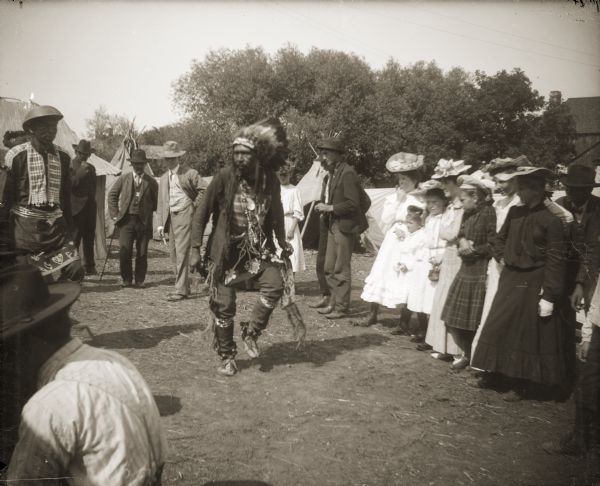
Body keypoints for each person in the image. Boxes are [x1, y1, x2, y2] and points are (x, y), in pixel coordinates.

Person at [2, 263, 166, 485]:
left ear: (26, 345)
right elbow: (159, 459)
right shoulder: (118, 364)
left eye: (8, 352)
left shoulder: (48, 406)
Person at [189, 118, 297, 376]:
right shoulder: (224, 177)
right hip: (225, 254)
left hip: (258, 249)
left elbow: (277, 211)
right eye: (235, 153)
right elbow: (201, 213)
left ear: (255, 155)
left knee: (275, 286)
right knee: (224, 307)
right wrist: (194, 248)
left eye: (244, 153)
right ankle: (227, 356)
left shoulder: (268, 179)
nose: (239, 157)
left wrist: (281, 240)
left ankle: (252, 331)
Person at [471, 167, 571, 400]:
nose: (519, 193)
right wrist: (502, 256)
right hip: (510, 276)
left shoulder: (552, 220)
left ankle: (521, 383)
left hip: (535, 279)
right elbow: (498, 238)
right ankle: (495, 373)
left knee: (525, 332)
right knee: (499, 323)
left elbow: (556, 260)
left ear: (536, 190)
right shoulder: (515, 212)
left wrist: (550, 294)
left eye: (523, 188)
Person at [3, 105, 83, 282]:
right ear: (32, 129)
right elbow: (5, 199)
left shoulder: (63, 156)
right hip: (25, 230)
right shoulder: (16, 156)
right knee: (35, 281)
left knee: (76, 270)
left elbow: (65, 198)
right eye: (44, 127)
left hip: (56, 228)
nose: (50, 132)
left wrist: (69, 228)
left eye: (53, 127)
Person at [358, 152, 425, 328]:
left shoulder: (421, 198)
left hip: (411, 239)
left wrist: (411, 231)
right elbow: (387, 219)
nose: (402, 182)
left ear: (415, 180)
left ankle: (403, 322)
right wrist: (398, 200)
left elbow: (422, 222)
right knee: (382, 272)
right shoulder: (394, 197)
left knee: (405, 276)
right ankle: (372, 314)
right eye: (401, 179)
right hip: (393, 238)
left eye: (406, 179)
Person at [441, 175, 496, 370]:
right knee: (453, 317)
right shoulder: (467, 213)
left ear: (476, 197)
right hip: (465, 267)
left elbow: (493, 244)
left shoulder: (489, 213)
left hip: (480, 269)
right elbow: (462, 233)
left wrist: (474, 249)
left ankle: (472, 355)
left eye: (464, 199)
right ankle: (465, 352)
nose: (461, 204)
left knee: (473, 318)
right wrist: (462, 241)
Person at [471, 157, 523, 358]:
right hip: (497, 261)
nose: (500, 186)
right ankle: (484, 358)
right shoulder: (499, 204)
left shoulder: (521, 203)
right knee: (491, 306)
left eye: (504, 181)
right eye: (498, 182)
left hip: (514, 262)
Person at [314, 138, 369, 320]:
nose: (323, 157)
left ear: (338, 155)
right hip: (332, 224)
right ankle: (333, 302)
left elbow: (353, 203)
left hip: (344, 226)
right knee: (329, 267)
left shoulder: (348, 174)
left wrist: (330, 208)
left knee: (341, 268)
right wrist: (326, 206)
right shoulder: (333, 174)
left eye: (327, 153)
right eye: (323, 153)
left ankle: (342, 307)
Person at [424, 159, 471, 360]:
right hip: (449, 254)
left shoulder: (463, 206)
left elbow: (451, 232)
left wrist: (449, 234)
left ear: (455, 182)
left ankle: (458, 350)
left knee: (453, 301)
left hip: (458, 256)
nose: (442, 187)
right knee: (442, 299)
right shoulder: (452, 206)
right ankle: (444, 346)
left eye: (445, 182)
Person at [156, 141, 207, 301]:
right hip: (171, 217)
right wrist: (159, 223)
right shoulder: (164, 178)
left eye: (173, 158)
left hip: (185, 214)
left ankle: (181, 290)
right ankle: (183, 286)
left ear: (178, 158)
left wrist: (193, 205)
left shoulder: (189, 173)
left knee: (182, 253)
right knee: (173, 253)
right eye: (167, 158)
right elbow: (161, 202)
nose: (170, 161)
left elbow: (204, 189)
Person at [108, 149, 158, 288]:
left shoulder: (151, 182)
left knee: (142, 253)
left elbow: (158, 201)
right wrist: (115, 215)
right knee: (125, 251)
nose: (138, 166)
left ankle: (140, 280)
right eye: (136, 163)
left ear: (144, 164)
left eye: (141, 164)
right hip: (126, 221)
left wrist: (147, 211)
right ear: (132, 164)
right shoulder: (124, 179)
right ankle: (127, 279)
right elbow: (112, 195)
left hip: (143, 222)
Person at [408, 184, 449, 347]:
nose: (431, 206)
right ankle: (423, 328)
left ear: (443, 202)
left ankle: (433, 334)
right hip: (426, 256)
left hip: (440, 255)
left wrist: (442, 256)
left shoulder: (446, 218)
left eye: (435, 202)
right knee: (420, 294)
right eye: (429, 202)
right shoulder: (429, 218)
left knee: (433, 297)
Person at [70, 139, 98, 276]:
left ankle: (90, 266)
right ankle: (72, 268)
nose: (84, 156)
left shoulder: (92, 168)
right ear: (76, 152)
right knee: (75, 239)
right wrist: (79, 175)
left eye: (87, 154)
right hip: (75, 209)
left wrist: (93, 205)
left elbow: (93, 188)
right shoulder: (70, 166)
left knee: (89, 239)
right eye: (81, 154)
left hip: (89, 209)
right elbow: (68, 186)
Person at [308, 162, 333, 309]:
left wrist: (330, 208)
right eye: (320, 169)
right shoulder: (325, 181)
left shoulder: (342, 178)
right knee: (321, 262)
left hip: (338, 225)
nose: (321, 171)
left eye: (323, 169)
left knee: (334, 265)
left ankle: (336, 298)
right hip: (325, 223)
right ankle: (325, 295)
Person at [277, 160, 306, 273]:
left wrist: (292, 229)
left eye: (285, 175)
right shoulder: (275, 189)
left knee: (291, 251)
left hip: (289, 222)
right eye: (281, 175)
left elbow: (297, 211)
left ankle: (290, 283)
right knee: (277, 252)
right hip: (278, 223)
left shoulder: (294, 190)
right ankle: (280, 283)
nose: (283, 177)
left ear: (290, 175)